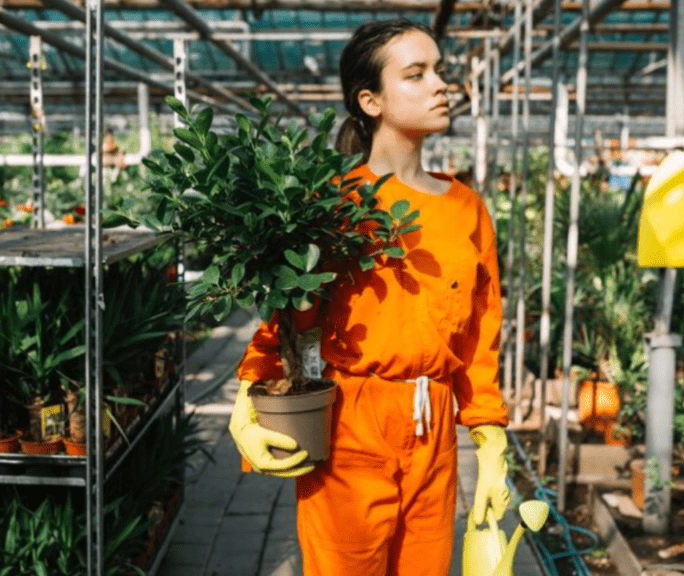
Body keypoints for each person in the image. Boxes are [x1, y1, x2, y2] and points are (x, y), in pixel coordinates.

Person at [229, 18, 511, 576]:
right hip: (350, 422)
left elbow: (481, 330)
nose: (440, 85)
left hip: (433, 427)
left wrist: (490, 435)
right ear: (371, 100)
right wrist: (248, 395)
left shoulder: (465, 208)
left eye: (439, 71)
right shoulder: (332, 203)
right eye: (416, 74)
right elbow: (288, 313)